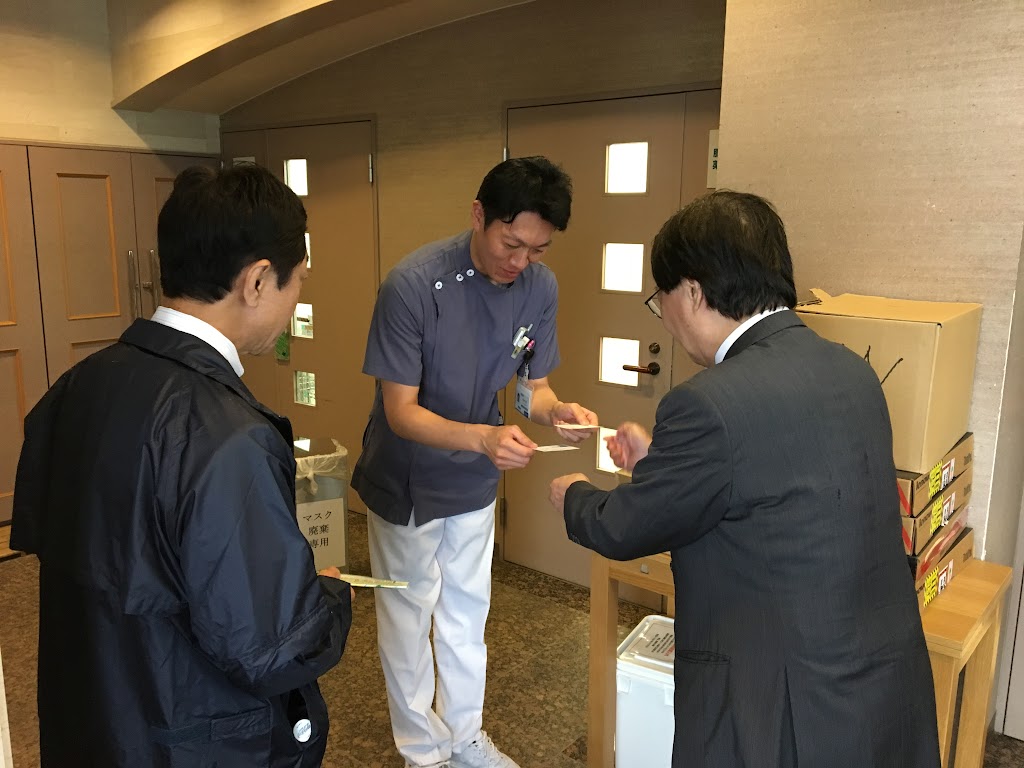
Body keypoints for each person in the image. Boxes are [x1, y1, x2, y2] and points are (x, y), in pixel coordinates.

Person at [548, 190, 940, 768]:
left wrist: (572, 496)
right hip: (877, 682)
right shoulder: (852, 370)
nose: (667, 319)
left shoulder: (707, 403)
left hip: (779, 701)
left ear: (692, 291)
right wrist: (663, 461)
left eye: (660, 301)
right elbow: (777, 477)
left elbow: (626, 528)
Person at [11, 164, 353, 768]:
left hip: (94, 709)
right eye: (297, 281)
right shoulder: (230, 438)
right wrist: (329, 595)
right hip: (189, 733)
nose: (296, 299)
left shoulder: (81, 384)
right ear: (257, 280)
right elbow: (271, 648)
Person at [352, 156, 597, 768]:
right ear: (478, 215)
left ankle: (464, 737)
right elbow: (401, 412)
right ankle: (422, 750)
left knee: (466, 613)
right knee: (409, 617)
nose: (521, 262)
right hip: (406, 478)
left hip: (474, 479)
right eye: (511, 243)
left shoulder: (540, 288)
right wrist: (485, 440)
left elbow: (531, 389)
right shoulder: (413, 285)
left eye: (537, 250)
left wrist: (557, 412)